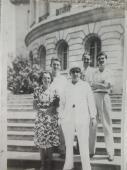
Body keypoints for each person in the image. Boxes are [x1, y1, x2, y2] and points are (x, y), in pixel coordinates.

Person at [59, 63, 97, 170]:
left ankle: (86, 166)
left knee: (83, 142)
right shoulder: (66, 86)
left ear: (80, 74)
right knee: (68, 142)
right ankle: (68, 164)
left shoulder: (85, 85)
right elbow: (62, 103)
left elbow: (91, 101)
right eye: (73, 72)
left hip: (82, 117)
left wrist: (93, 116)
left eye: (77, 72)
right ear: (70, 73)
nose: (75, 74)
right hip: (68, 117)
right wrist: (60, 117)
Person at [33, 71, 60, 170]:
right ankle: (43, 164)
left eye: (48, 78)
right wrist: (44, 110)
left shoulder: (54, 90)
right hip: (40, 119)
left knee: (49, 142)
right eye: (44, 78)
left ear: (51, 79)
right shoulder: (37, 90)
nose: (46, 80)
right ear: (41, 79)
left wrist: (51, 109)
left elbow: (57, 105)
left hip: (51, 119)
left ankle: (49, 163)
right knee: (41, 142)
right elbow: (35, 106)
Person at [91, 51, 114, 161]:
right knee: (93, 124)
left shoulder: (109, 72)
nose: (101, 60)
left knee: (107, 125)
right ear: (97, 60)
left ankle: (110, 153)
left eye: (103, 58)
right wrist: (102, 84)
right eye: (99, 58)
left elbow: (108, 86)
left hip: (105, 98)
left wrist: (99, 85)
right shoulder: (94, 73)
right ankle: (91, 151)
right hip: (95, 97)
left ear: (106, 60)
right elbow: (91, 85)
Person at [50, 57, 67, 157]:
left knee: (61, 128)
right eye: (54, 64)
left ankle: (62, 150)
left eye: (57, 65)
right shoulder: (48, 77)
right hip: (50, 106)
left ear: (60, 67)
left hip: (61, 106)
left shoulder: (63, 79)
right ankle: (50, 149)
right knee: (51, 127)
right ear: (51, 66)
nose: (56, 66)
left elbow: (66, 92)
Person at [81, 53, 97, 158]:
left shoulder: (93, 71)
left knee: (92, 126)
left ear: (90, 60)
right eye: (85, 59)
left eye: (88, 59)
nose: (86, 60)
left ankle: (91, 150)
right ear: (82, 59)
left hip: (91, 99)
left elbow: (94, 85)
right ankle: (81, 148)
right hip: (81, 101)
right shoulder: (80, 71)